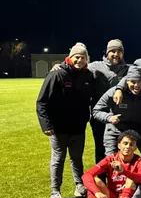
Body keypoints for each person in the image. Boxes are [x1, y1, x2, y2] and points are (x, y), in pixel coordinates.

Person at [50, 39, 130, 167]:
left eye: (119, 51)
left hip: (121, 117)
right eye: (112, 51)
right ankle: (101, 179)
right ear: (107, 53)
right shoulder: (95, 66)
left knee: (123, 149)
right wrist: (60, 66)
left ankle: (119, 181)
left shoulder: (128, 69)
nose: (116, 54)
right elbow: (76, 67)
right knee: (100, 148)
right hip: (99, 117)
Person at [36, 42, 94, 198]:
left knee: (77, 158)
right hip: (58, 127)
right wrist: (46, 125)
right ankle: (55, 192)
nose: (79, 60)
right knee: (58, 159)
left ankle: (79, 185)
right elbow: (42, 101)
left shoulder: (87, 75)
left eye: (83, 57)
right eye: (77, 57)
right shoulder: (57, 75)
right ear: (70, 57)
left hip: (78, 127)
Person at [92, 66, 141, 163]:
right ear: (127, 81)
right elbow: (96, 111)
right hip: (115, 131)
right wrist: (109, 117)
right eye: (133, 82)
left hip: (138, 131)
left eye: (139, 82)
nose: (136, 85)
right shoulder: (114, 92)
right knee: (112, 162)